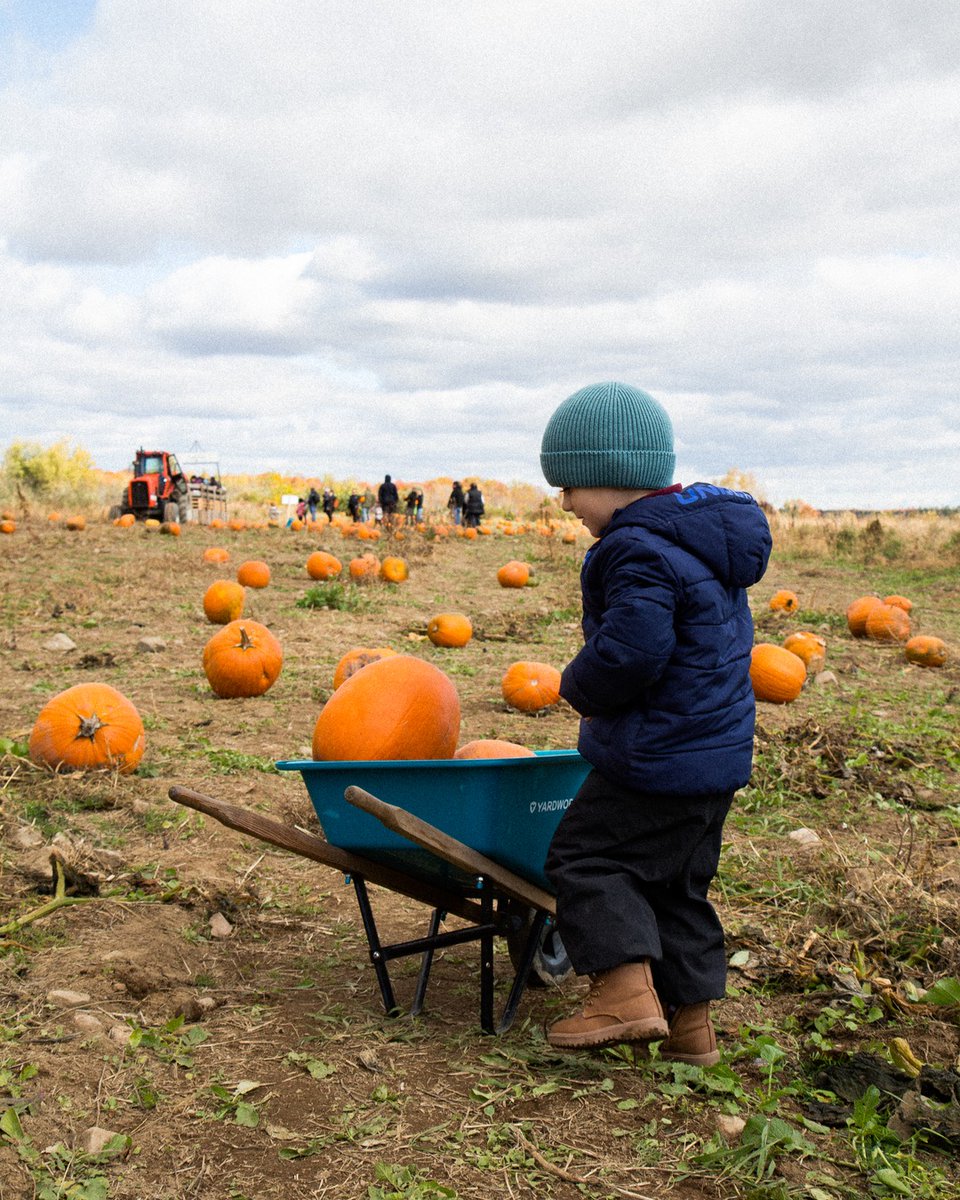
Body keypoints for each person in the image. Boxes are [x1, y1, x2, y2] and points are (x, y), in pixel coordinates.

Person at [538, 381, 771, 1062]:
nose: (564, 503)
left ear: (607, 479)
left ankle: (622, 994)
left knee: (586, 857)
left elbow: (634, 650)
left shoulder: (635, 548)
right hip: (714, 759)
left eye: (569, 487)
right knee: (678, 887)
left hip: (655, 756)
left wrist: (577, 684)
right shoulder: (703, 543)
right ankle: (692, 1029)